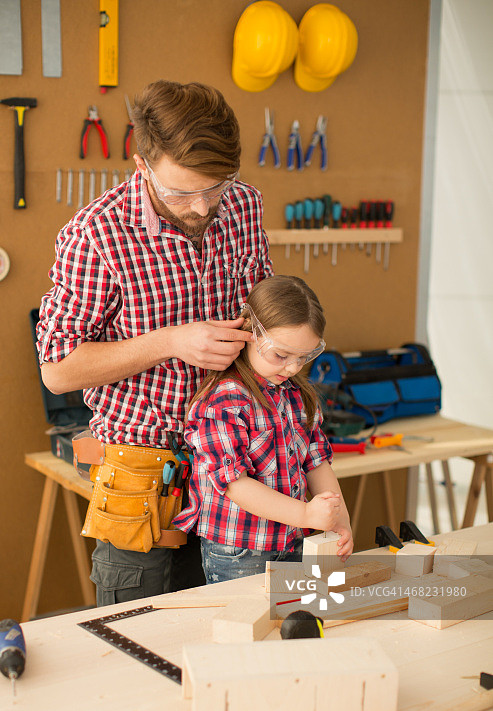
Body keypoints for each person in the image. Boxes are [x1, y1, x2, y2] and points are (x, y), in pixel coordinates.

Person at [36, 81, 273, 605]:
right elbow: (57, 369)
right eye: (182, 191)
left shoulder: (243, 206)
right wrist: (171, 341)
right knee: (137, 641)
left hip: (234, 458)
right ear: (142, 166)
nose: (202, 205)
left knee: (228, 626)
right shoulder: (96, 236)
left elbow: (258, 303)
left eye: (215, 187)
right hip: (141, 474)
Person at [172, 275, 353, 583]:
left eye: (303, 357)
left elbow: (317, 464)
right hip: (240, 551)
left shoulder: (296, 395)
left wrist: (341, 522)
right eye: (281, 355)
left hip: (292, 540)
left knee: (291, 618)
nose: (293, 368)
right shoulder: (224, 402)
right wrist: (307, 515)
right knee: (247, 626)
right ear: (251, 334)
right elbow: (236, 486)